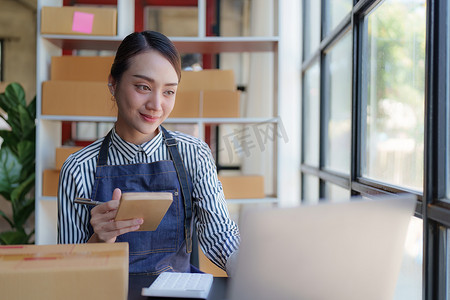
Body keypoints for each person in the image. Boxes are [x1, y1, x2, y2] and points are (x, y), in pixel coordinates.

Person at [57, 31, 240, 275]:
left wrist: (251, 272)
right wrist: (99, 241)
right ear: (113, 83)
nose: (156, 105)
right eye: (143, 87)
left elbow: (219, 235)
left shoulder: (194, 155)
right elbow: (68, 272)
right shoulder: (79, 168)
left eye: (168, 91)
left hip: (177, 292)